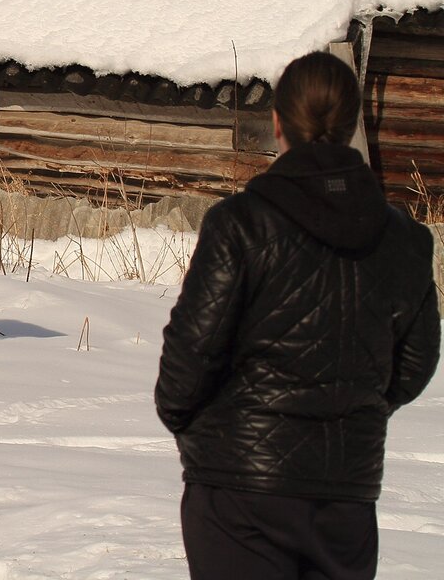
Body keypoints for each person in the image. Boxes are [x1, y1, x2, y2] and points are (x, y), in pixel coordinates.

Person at [155, 50, 440, 580]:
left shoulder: (239, 225)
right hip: (344, 497)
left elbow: (189, 357)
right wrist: (356, 409)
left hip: (239, 492)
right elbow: (415, 362)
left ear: (278, 122)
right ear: (353, 121)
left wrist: (201, 430)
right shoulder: (406, 241)